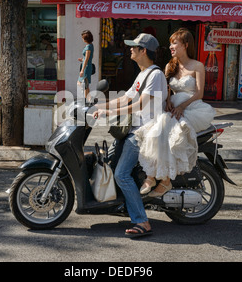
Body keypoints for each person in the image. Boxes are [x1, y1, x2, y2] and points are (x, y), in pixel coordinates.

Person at [93, 33, 168, 238]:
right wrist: (98, 104)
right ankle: (127, 202)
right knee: (110, 162)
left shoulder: (155, 75)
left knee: (121, 174)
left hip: (145, 131)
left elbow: (140, 104)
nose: (130, 49)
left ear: (144, 51)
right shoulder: (142, 73)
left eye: (134, 47)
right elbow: (125, 98)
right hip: (134, 129)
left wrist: (109, 113)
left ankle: (142, 221)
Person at [135, 28, 216, 197]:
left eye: (174, 43)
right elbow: (167, 91)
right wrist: (168, 102)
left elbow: (199, 93)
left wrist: (181, 106)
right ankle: (154, 176)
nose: (171, 46)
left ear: (185, 45)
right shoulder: (169, 65)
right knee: (156, 131)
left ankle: (162, 180)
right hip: (172, 110)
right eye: (170, 43)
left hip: (192, 109)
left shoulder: (197, 65)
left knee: (167, 129)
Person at [77, 30, 94, 99]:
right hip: (87, 66)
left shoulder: (88, 47)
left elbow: (87, 58)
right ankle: (88, 99)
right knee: (85, 85)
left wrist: (82, 70)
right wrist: (82, 59)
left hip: (86, 67)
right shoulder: (90, 45)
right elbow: (90, 57)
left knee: (81, 83)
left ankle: (87, 99)